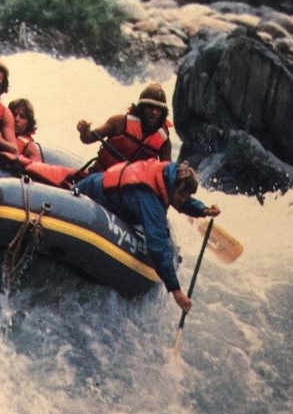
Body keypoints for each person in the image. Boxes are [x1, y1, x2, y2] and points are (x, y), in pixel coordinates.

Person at [74, 158, 220, 311]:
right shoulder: (150, 199)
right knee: (159, 240)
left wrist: (203, 210)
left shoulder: (168, 178)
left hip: (103, 192)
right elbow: (157, 245)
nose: (183, 199)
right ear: (172, 185)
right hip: (89, 196)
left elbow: (182, 200)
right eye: (182, 194)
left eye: (186, 195)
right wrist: (176, 291)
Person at [76, 82, 173, 172]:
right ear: (142, 107)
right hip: (99, 177)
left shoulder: (164, 142)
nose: (154, 113)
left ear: (163, 112)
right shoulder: (119, 122)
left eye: (159, 109)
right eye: (150, 107)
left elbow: (167, 173)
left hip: (130, 188)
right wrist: (84, 131)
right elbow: (87, 139)